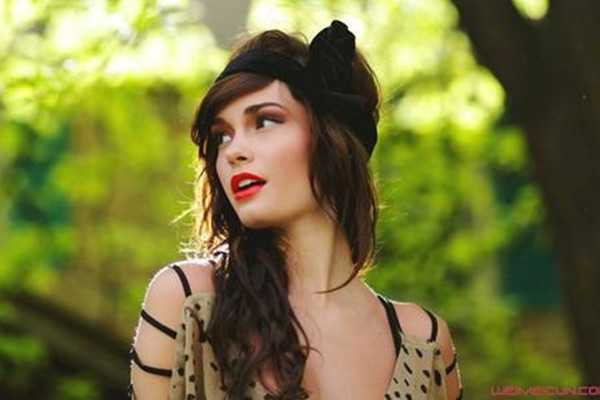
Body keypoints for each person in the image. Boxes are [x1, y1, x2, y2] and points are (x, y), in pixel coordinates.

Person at [129, 20, 463, 400]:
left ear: (332, 138)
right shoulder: (188, 300)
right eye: (222, 136)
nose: (233, 151)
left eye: (264, 121)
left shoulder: (425, 344)